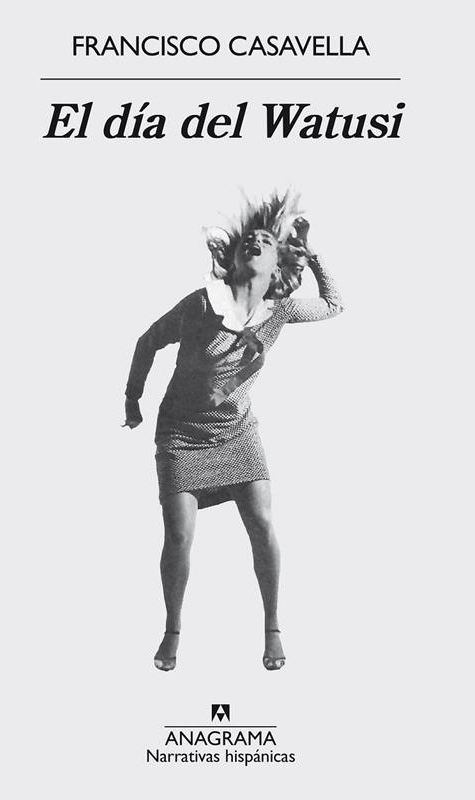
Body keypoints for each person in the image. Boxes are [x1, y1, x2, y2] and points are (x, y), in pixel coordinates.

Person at [124, 192, 344, 671]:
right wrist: (131, 398)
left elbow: (334, 304)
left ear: (278, 261)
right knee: (179, 536)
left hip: (238, 433)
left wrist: (313, 255)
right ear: (236, 256)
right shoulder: (202, 304)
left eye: (267, 240)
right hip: (181, 434)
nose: (256, 241)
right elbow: (147, 340)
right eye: (249, 239)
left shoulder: (279, 311)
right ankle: (172, 630)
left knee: (262, 524)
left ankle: (273, 628)